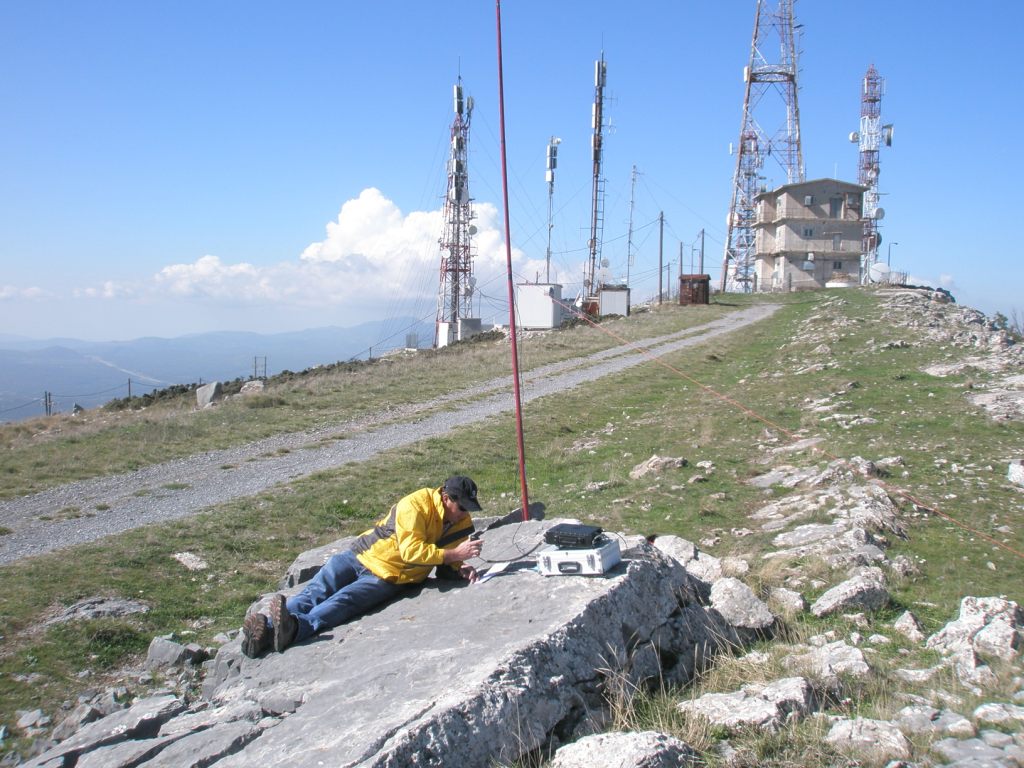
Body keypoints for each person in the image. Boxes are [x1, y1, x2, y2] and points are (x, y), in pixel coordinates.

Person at [241, 475, 484, 657]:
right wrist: (453, 555)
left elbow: (445, 562)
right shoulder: (417, 504)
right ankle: (265, 632)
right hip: (360, 555)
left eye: (469, 509)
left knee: (342, 601)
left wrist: (457, 567)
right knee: (315, 591)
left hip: (389, 576)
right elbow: (411, 551)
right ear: (445, 498)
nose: (464, 514)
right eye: (462, 507)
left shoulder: (461, 523)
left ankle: (293, 629)